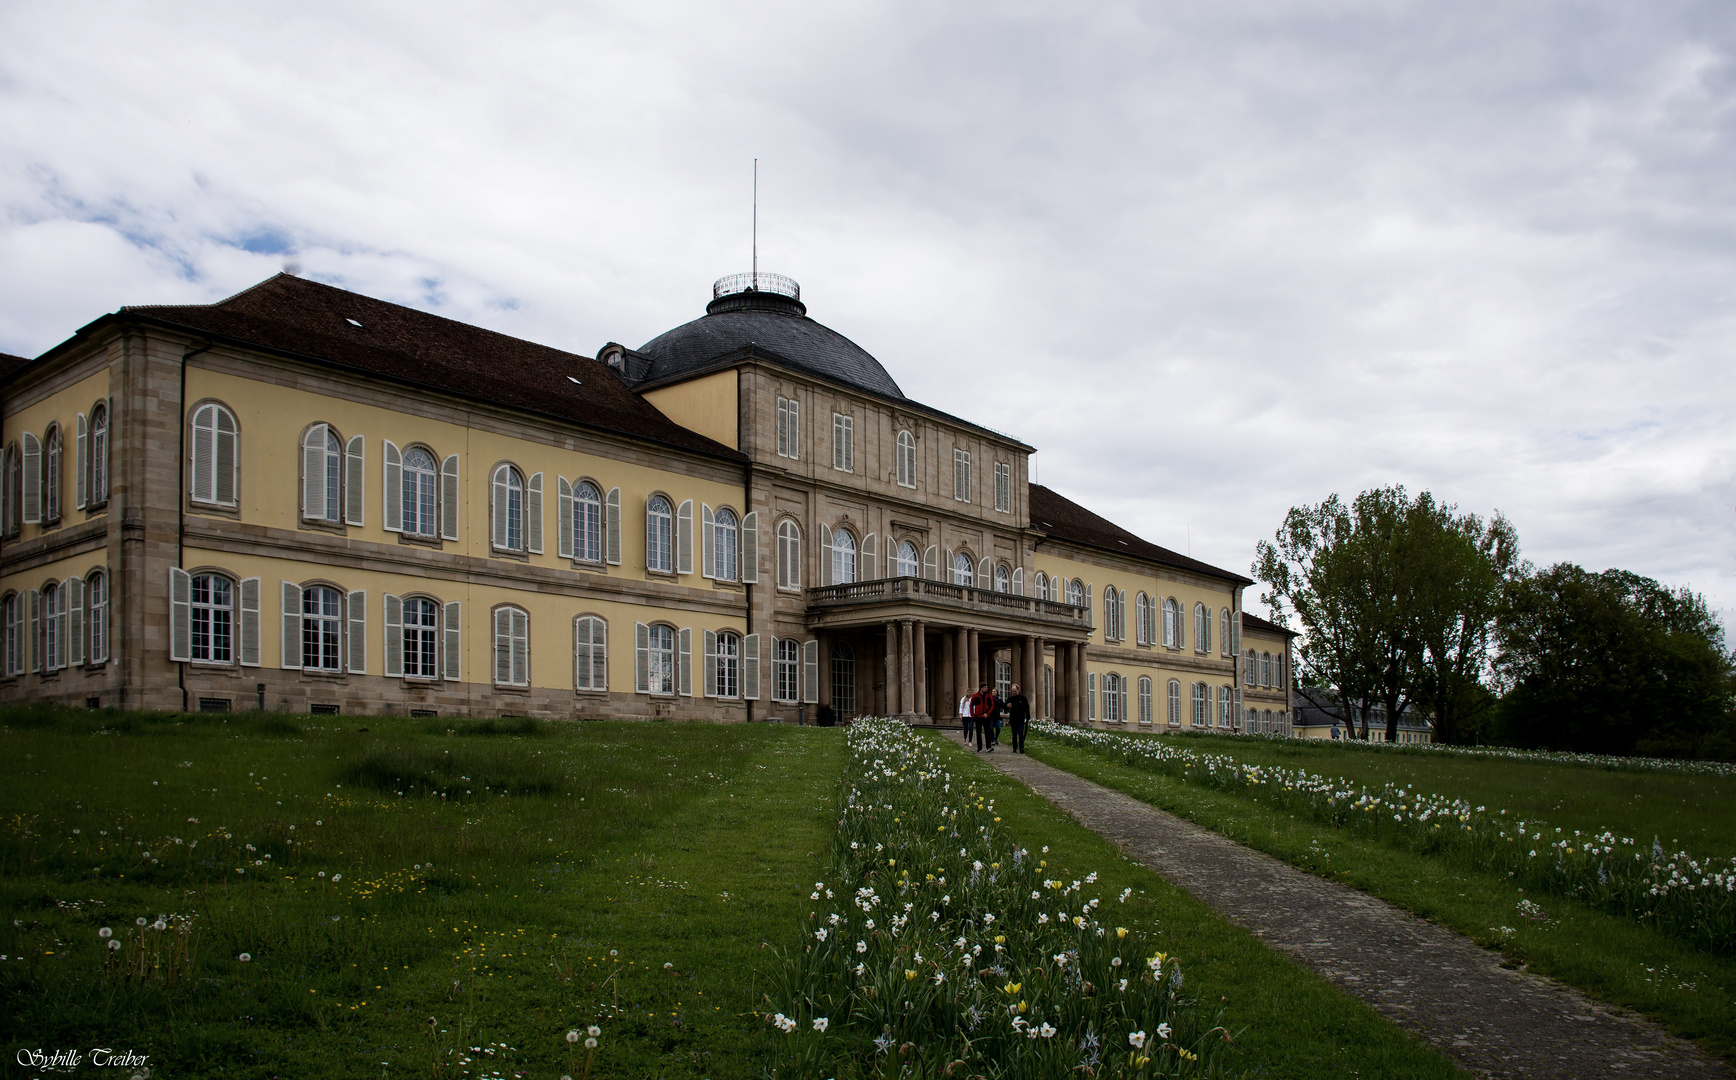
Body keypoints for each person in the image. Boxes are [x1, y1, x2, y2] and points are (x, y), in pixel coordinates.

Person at [1006, 682, 1031, 753]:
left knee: (1020, 733)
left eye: (1015, 691)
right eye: (1012, 691)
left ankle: (1021, 747)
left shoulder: (1023, 698)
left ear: (1018, 690)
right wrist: (1007, 706)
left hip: (1020, 718)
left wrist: (1028, 718)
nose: (1013, 693)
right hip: (1013, 719)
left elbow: (1027, 708)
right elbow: (1005, 706)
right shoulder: (1010, 699)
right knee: (1014, 734)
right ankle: (1014, 748)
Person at [969, 683, 994, 751]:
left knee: (987, 732)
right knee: (978, 732)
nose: (986, 689)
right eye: (985, 687)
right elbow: (971, 705)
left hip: (986, 717)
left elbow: (992, 705)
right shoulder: (975, 696)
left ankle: (988, 747)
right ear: (981, 688)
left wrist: (987, 713)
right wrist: (973, 715)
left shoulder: (989, 696)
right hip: (978, 716)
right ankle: (979, 747)